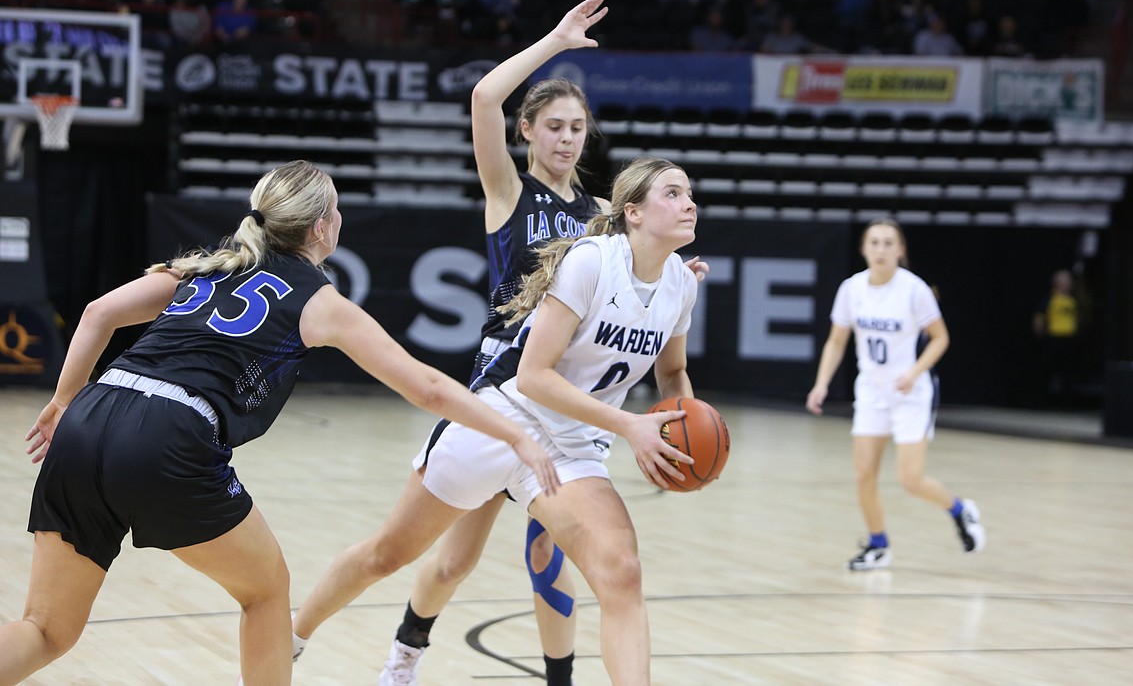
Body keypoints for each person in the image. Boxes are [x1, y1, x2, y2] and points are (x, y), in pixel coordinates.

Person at [0, 160, 559, 686]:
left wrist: (63, 400)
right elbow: (428, 386)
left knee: (46, 631)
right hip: (168, 435)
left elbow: (99, 312)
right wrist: (514, 432)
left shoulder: (207, 265)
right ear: (322, 226)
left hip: (91, 415)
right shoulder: (318, 298)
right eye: (336, 209)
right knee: (267, 592)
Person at [291, 153, 701, 686]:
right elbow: (533, 376)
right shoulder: (592, 261)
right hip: (503, 419)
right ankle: (291, 639)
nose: (688, 202)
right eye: (671, 192)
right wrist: (630, 426)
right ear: (633, 212)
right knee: (390, 555)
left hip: (571, 447)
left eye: (689, 193)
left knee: (621, 574)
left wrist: (681, 424)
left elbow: (673, 376)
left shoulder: (682, 284)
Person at [805, 218, 985, 571]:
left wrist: (914, 372)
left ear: (901, 250)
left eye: (889, 243)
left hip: (910, 392)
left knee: (910, 479)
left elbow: (941, 338)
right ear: (863, 249)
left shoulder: (914, 290)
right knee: (863, 475)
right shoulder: (851, 289)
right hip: (871, 390)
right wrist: (821, 383)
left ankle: (960, 510)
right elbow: (837, 340)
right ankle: (878, 545)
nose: (881, 249)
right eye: (874, 242)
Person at [1032, 268, 1080, 406]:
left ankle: (1067, 403)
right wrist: (1041, 335)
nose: (1067, 284)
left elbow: (1077, 317)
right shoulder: (1050, 298)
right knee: (1047, 370)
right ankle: (1041, 401)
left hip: (1069, 339)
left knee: (1068, 372)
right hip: (1053, 339)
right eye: (1064, 281)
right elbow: (1039, 318)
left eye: (1069, 281)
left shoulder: (1072, 300)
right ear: (1056, 282)